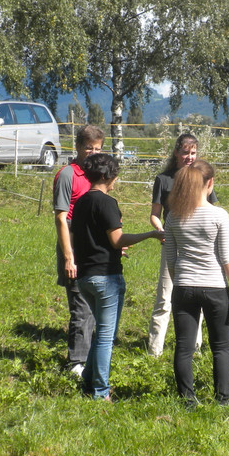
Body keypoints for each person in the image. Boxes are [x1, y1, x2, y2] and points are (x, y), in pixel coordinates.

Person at [71, 153, 164, 400]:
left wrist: (110, 246)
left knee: (101, 332)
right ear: (107, 176)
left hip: (85, 277)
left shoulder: (80, 202)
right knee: (106, 336)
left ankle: (88, 381)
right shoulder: (107, 203)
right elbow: (117, 239)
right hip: (106, 277)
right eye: (115, 175)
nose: (116, 180)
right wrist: (151, 235)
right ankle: (100, 392)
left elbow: (87, 237)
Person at [164, 160, 229, 408]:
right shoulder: (219, 215)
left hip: (183, 287)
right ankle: (223, 399)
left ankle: (188, 400)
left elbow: (170, 259)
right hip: (215, 287)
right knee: (221, 346)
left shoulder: (173, 216)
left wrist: (180, 282)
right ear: (210, 183)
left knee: (184, 347)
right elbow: (225, 256)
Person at [147, 134, 217, 357]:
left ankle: (195, 349)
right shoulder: (163, 179)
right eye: (185, 152)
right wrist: (161, 231)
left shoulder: (202, 177)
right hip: (172, 243)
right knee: (164, 297)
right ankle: (154, 351)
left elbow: (213, 209)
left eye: (193, 153)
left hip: (198, 247)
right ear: (176, 152)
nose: (189, 157)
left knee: (197, 296)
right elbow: (155, 214)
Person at [53, 125, 104, 375]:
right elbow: (61, 218)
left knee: (93, 303)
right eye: (88, 148)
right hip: (74, 243)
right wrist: (68, 257)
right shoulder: (67, 175)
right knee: (80, 305)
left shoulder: (98, 174)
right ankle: (76, 362)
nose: (93, 153)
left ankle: (90, 357)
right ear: (77, 147)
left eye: (98, 149)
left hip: (95, 246)